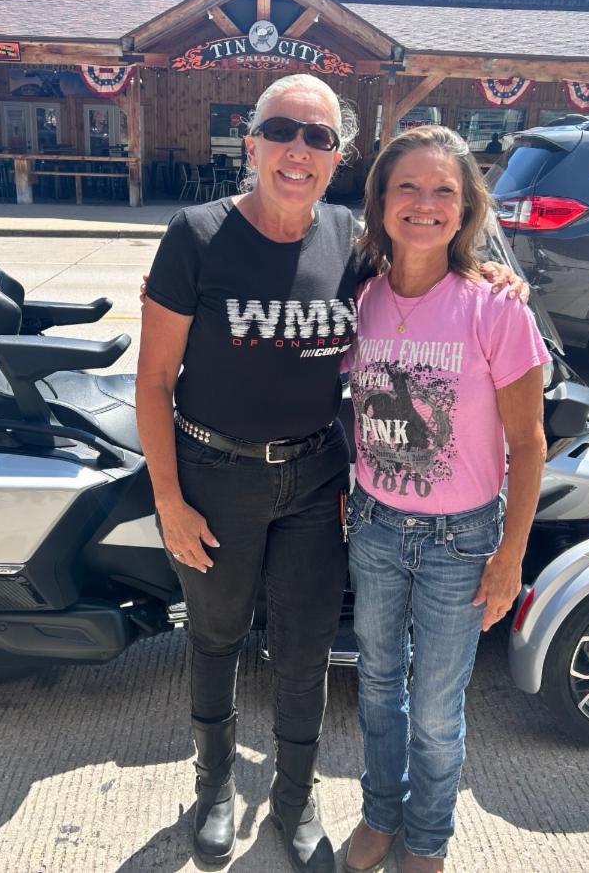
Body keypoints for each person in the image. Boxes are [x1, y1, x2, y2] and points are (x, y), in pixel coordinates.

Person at [137, 74, 526, 872]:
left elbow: (428, 261)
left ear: (337, 155)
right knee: (216, 637)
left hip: (316, 478)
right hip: (215, 472)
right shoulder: (197, 235)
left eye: (318, 137)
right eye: (283, 130)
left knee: (306, 646)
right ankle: (215, 787)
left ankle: (293, 795)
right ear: (252, 142)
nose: (298, 149)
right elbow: (153, 381)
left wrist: (492, 270)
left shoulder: (349, 239)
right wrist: (168, 498)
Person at [341, 125, 549, 873]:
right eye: (407, 186)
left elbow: (528, 442)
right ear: (380, 200)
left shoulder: (496, 307)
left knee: (435, 706)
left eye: (443, 191)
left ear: (466, 209)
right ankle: (379, 812)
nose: (424, 203)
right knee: (376, 684)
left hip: (461, 540)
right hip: (374, 525)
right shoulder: (360, 298)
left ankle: (427, 838)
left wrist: (510, 556)